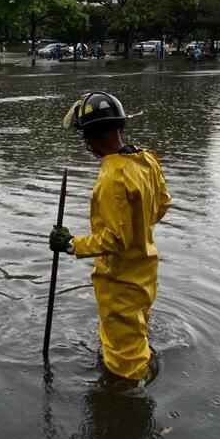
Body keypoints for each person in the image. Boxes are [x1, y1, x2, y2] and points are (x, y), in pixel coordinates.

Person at [49, 92, 172, 382]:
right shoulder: (147, 159)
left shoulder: (112, 177)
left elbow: (116, 240)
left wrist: (70, 244)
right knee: (133, 333)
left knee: (125, 362)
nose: (85, 144)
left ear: (92, 136)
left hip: (120, 281)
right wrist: (140, 228)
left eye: (84, 136)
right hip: (145, 271)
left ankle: (129, 403)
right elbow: (163, 203)